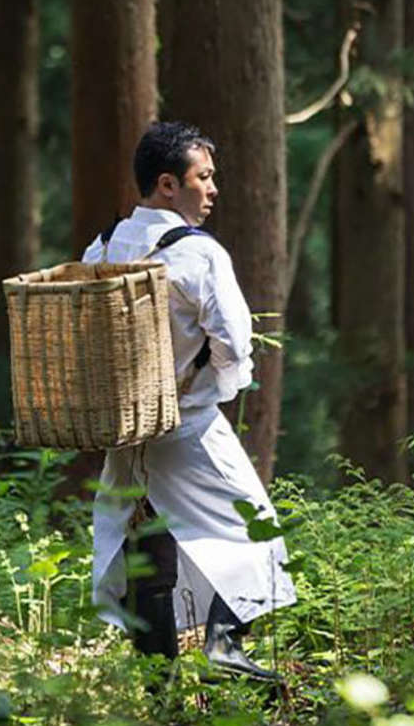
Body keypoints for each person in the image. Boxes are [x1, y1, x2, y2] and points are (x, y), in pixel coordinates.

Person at [81, 121, 296, 679]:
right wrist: (219, 387)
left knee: (147, 546)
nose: (214, 189)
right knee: (256, 528)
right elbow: (234, 342)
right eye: (204, 177)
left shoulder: (101, 246)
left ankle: (160, 685)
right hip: (186, 424)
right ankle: (224, 649)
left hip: (125, 431)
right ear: (168, 184)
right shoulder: (199, 255)